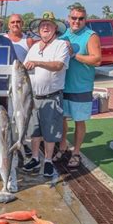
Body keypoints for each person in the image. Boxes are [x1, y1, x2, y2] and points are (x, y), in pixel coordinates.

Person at [23, 12, 70, 177]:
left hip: (51, 96)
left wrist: (38, 63)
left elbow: (58, 65)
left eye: (49, 25)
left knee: (50, 132)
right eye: (43, 25)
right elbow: (25, 66)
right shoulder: (34, 47)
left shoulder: (61, 45)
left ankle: (48, 160)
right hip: (33, 96)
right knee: (35, 130)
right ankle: (35, 158)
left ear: (55, 28)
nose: (45, 27)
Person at [56, 3, 102, 168]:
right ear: (68, 19)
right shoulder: (63, 35)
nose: (77, 21)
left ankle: (76, 153)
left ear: (85, 20)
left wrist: (75, 55)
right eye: (74, 18)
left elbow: (96, 59)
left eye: (80, 19)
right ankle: (62, 147)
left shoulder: (91, 36)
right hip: (62, 86)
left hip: (81, 87)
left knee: (79, 121)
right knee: (62, 119)